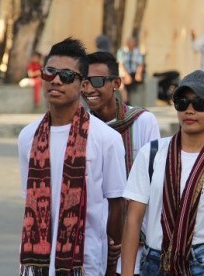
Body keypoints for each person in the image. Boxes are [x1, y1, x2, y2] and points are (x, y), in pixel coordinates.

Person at [121, 70, 204, 276]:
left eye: (198, 103)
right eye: (182, 102)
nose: (189, 110)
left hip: (203, 263)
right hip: (155, 261)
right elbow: (133, 221)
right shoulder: (152, 153)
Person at [18, 38, 127, 275]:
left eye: (67, 75)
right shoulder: (28, 137)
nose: (56, 80)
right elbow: (29, 199)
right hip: (37, 263)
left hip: (86, 262)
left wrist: (111, 264)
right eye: (49, 72)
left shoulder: (106, 139)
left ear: (82, 84)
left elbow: (117, 205)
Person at [81, 51, 161, 275]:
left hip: (137, 239)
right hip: (94, 238)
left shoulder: (143, 122)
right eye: (84, 82)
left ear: (116, 83)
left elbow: (154, 181)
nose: (89, 89)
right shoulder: (82, 129)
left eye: (97, 81)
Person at [116, 37, 144, 104]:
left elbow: (140, 64)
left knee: (139, 80)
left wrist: (138, 74)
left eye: (132, 43)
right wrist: (126, 75)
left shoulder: (137, 52)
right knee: (121, 84)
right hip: (124, 73)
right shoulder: (121, 51)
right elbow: (120, 65)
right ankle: (126, 102)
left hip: (134, 73)